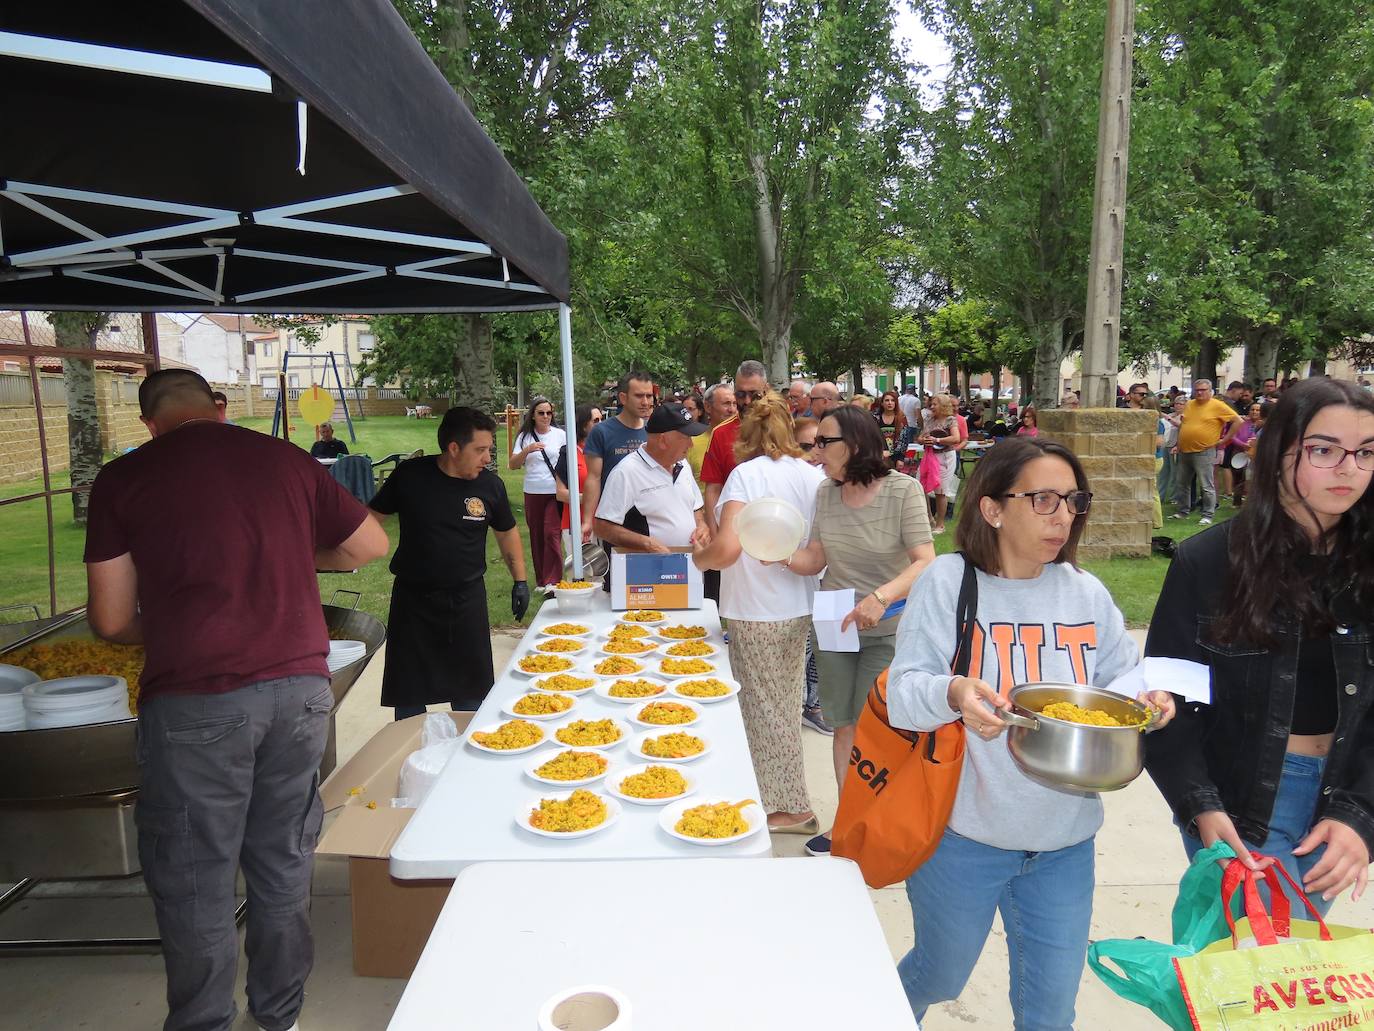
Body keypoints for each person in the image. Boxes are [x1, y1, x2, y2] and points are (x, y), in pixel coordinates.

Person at [84, 370, 389, 1031]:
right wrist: (279, 555)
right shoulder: (283, 456)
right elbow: (370, 543)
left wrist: (166, 615)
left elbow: (109, 619)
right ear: (218, 408)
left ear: (149, 422)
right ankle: (280, 1018)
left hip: (196, 701)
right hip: (301, 693)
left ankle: (205, 1023)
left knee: (197, 878)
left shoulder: (125, 477)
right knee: (282, 864)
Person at [885, 436, 1175, 1026]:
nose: (1063, 516)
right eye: (1043, 499)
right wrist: (955, 692)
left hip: (1064, 843)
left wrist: (1148, 694)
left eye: (1072, 501)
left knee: (1049, 1014)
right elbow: (902, 695)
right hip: (962, 834)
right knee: (939, 973)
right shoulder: (948, 581)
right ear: (993, 508)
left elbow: (1122, 672)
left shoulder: (1084, 591)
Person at [1145, 378, 1374, 917]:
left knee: (1288, 984)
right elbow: (1163, 702)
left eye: (1366, 452)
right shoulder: (1208, 561)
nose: (1349, 468)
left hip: (1340, 797)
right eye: (1324, 449)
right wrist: (1198, 804)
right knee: (1267, 980)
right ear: (1276, 456)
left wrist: (1361, 814)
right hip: (1242, 802)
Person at [778, 406, 937, 856]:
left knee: (880, 729)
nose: (816, 451)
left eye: (824, 442)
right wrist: (776, 553)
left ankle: (884, 825)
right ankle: (850, 823)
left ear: (857, 444)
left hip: (887, 629)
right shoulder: (826, 494)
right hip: (834, 627)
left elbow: (925, 561)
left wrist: (881, 598)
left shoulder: (902, 490)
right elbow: (815, 558)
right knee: (842, 724)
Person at [693, 393, 829, 832]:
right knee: (781, 704)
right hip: (798, 603)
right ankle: (777, 795)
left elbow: (728, 550)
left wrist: (700, 557)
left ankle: (789, 805)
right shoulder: (811, 476)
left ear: (745, 436)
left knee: (765, 708)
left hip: (756, 607)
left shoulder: (745, 477)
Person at [371, 407, 530, 720]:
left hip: (466, 600)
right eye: (480, 450)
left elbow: (507, 533)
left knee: (472, 695)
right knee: (410, 695)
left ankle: (468, 752)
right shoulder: (411, 476)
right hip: (413, 601)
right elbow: (371, 520)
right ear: (454, 448)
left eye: (489, 450)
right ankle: (413, 755)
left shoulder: (489, 486)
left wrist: (520, 580)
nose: (487, 458)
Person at [594, 402, 710, 552]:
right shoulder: (626, 472)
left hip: (687, 566)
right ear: (663, 440)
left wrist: (701, 526)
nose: (691, 445)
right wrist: (646, 543)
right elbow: (602, 527)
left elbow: (695, 507)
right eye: (686, 437)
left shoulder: (683, 465)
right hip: (648, 569)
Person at [793, 416, 833, 736]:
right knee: (804, 647)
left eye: (821, 444)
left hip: (832, 579)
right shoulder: (792, 482)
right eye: (806, 445)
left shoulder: (833, 483)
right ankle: (802, 702)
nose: (814, 452)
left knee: (826, 645)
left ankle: (816, 704)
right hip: (800, 578)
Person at [702, 360, 770, 538]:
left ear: (767, 390)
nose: (746, 401)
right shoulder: (720, 433)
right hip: (733, 530)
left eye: (754, 395)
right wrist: (715, 534)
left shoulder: (783, 429)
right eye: (740, 394)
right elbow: (713, 488)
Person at [509, 397, 568, 592]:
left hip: (555, 492)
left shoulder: (560, 435)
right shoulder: (524, 437)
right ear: (533, 416)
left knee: (551, 533)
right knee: (537, 536)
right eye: (541, 413)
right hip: (533, 491)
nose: (545, 416)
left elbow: (571, 460)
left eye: (548, 413)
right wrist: (527, 450)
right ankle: (542, 581)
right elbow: (513, 464)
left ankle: (554, 580)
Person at [1170, 378, 1240, 526]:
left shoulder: (1218, 405)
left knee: (1206, 485)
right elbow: (1185, 424)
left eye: (1203, 390)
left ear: (1210, 391)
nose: (1200, 393)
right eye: (1197, 390)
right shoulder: (1189, 404)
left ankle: (1208, 514)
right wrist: (1178, 444)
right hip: (1185, 450)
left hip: (1204, 451)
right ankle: (1183, 511)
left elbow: (1238, 421)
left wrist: (1225, 439)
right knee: (1182, 483)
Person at [555, 404, 601, 550]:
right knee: (577, 571)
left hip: (603, 524)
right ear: (583, 426)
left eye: (602, 419)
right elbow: (560, 494)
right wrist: (589, 498)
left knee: (601, 572)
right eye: (596, 420)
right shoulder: (568, 453)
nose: (601, 424)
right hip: (575, 523)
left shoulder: (604, 451)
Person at [919, 393, 965, 534]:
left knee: (941, 491)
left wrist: (937, 441)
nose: (932, 406)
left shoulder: (950, 420)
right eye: (931, 404)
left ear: (943, 405)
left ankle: (940, 525)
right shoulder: (928, 419)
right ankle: (929, 519)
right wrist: (923, 440)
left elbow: (956, 438)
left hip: (945, 457)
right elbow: (921, 437)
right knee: (921, 487)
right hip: (929, 456)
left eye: (935, 404)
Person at [1228, 400, 1264, 506]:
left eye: (1258, 410)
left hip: (1255, 455)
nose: (1254, 412)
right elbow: (1233, 436)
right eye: (1252, 409)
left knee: (1250, 477)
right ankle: (1237, 500)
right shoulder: (1242, 423)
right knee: (1238, 477)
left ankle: (1250, 499)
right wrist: (1243, 445)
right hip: (1239, 453)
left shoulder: (1263, 425)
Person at [874, 389, 906, 461]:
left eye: (892, 400)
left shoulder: (902, 418)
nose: (890, 403)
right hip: (879, 456)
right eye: (887, 400)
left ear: (896, 403)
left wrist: (901, 459)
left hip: (896, 456)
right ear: (882, 403)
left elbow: (904, 440)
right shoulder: (875, 418)